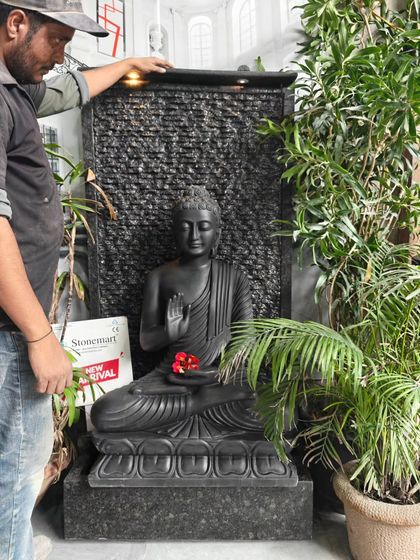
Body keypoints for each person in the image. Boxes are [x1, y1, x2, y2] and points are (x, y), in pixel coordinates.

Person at [0, 1, 172, 559]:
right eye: (57, 40)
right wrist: (40, 336)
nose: (61, 55)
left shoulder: (17, 89)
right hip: (11, 326)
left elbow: (71, 90)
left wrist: (126, 64)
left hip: (15, 321)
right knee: (18, 467)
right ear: (16, 23)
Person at [91, 186, 257, 435]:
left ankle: (197, 403)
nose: (194, 235)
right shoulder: (159, 276)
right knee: (104, 411)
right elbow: (147, 341)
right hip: (170, 380)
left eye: (203, 227)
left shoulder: (234, 278)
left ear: (217, 233)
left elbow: (247, 341)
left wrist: (218, 373)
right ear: (174, 233)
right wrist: (168, 333)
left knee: (282, 413)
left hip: (219, 380)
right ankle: (199, 404)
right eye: (185, 227)